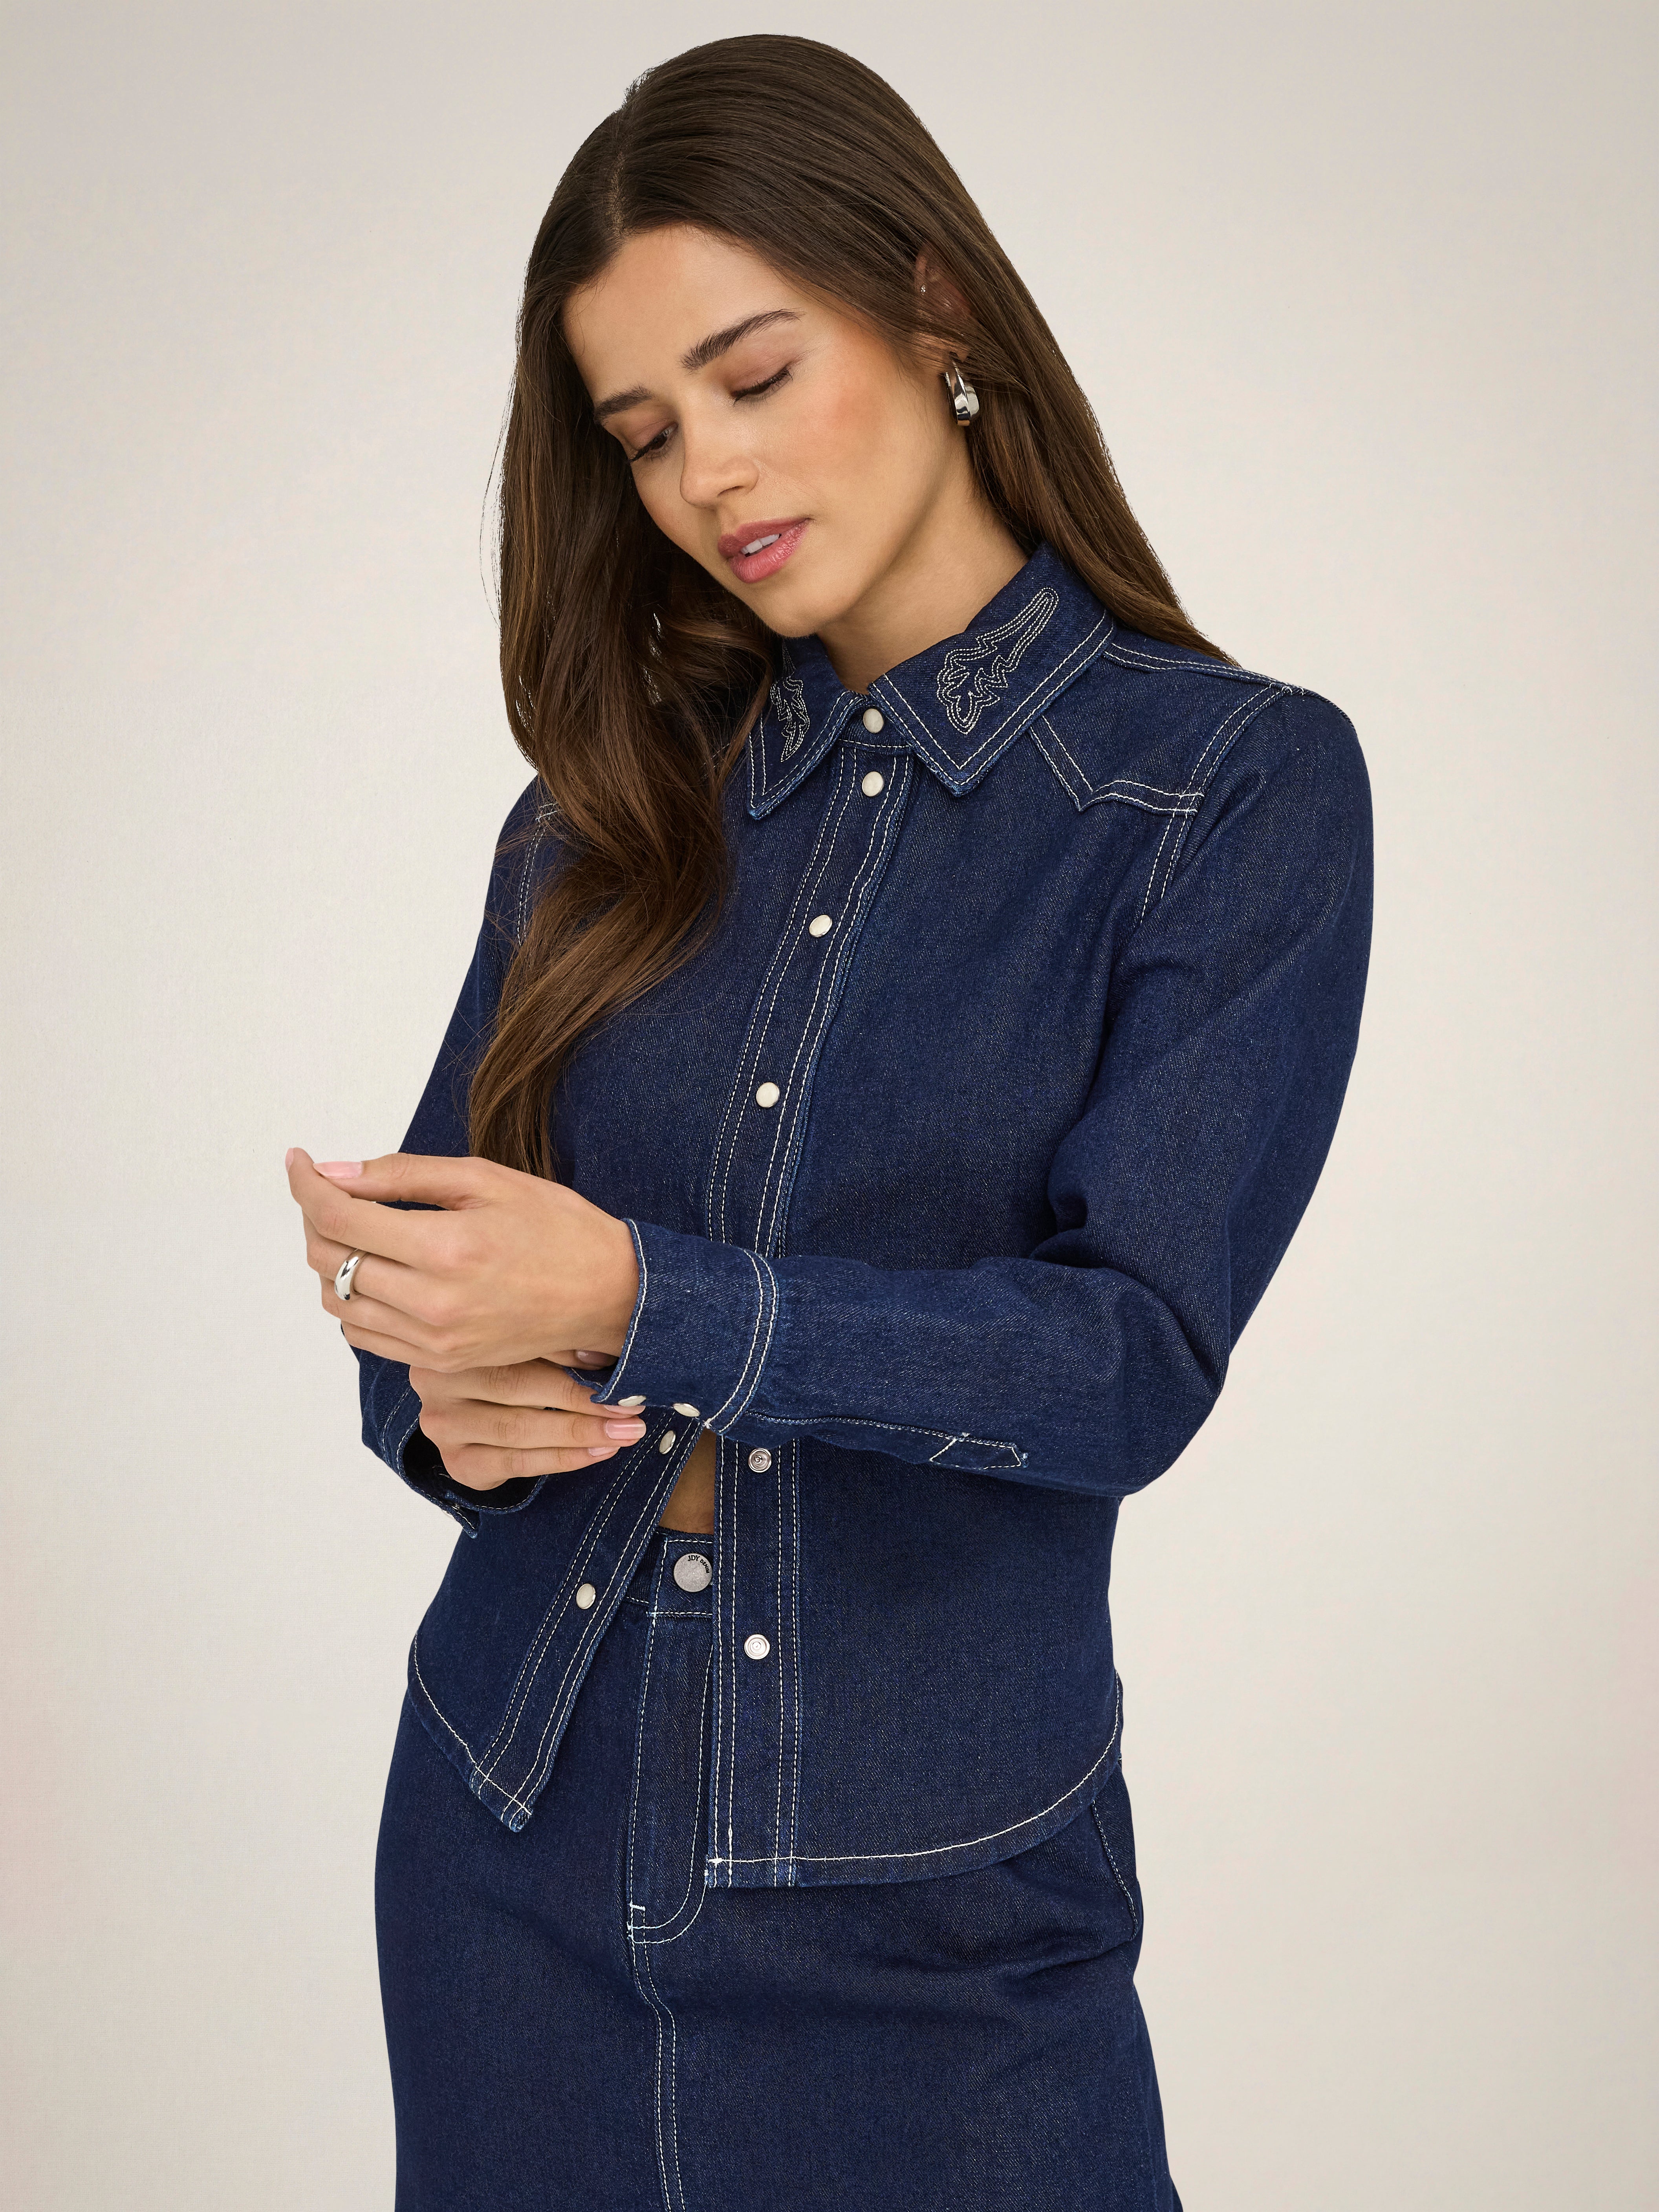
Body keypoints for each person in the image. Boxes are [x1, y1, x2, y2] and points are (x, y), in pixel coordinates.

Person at [284, 32, 1371, 2212]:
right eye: (643, 432)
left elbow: (1127, 1362)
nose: (707, 472)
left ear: (933, 303)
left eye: (755, 375)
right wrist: (441, 1391)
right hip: (510, 1836)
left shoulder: (1227, 793)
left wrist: (638, 1297)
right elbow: (438, 1293)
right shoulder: (606, 806)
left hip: (939, 1906)